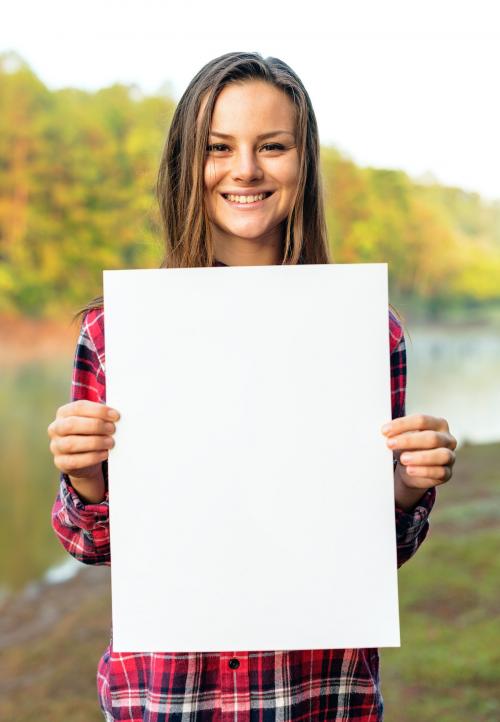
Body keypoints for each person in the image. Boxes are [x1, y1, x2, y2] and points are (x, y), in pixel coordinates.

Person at [48, 51, 457, 722]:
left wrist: (411, 483)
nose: (245, 169)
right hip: (168, 699)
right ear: (188, 164)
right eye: (219, 148)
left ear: (304, 164)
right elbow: (91, 544)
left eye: (273, 146)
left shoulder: (366, 333)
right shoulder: (118, 332)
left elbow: (378, 549)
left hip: (318, 697)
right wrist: (87, 476)